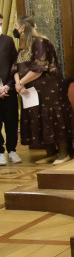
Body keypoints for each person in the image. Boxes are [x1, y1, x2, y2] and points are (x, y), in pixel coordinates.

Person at [12, 16, 74, 165]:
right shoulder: (23, 46)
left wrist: (20, 83)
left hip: (49, 90)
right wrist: (17, 84)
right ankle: (50, 153)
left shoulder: (40, 42)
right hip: (31, 91)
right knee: (39, 119)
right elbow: (15, 67)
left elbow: (39, 68)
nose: (15, 29)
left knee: (53, 118)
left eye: (16, 26)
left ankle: (63, 153)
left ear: (23, 28)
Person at [0, 13, 21, 165]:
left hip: (9, 88)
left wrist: (8, 85)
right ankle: (0, 152)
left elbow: (14, 65)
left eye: (1, 24)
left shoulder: (7, 41)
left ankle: (12, 150)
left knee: (11, 120)